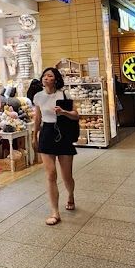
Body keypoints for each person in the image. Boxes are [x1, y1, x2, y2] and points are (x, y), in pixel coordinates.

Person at [32, 67, 80, 225]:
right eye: (44, 76)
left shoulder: (64, 94)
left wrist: (64, 112)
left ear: (56, 79)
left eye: (50, 75)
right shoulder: (38, 96)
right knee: (51, 174)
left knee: (67, 176)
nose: (46, 78)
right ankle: (55, 212)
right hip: (46, 133)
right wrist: (34, 136)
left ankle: (71, 195)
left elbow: (76, 115)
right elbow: (37, 118)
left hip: (63, 134)